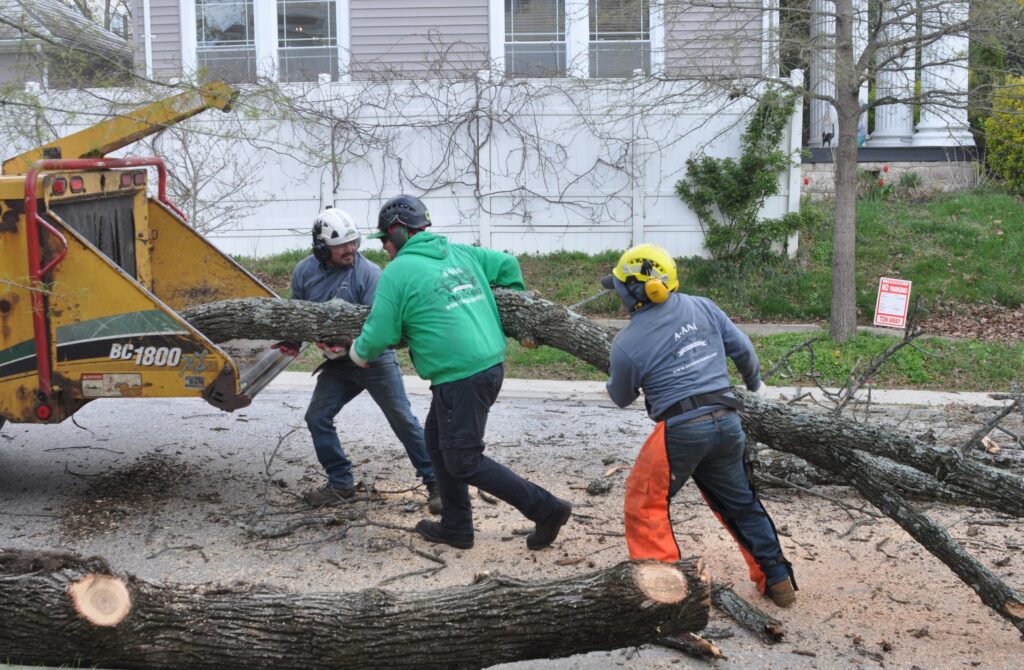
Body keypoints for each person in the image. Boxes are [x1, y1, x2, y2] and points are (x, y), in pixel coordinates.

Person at [348, 194, 572, 551]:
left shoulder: (398, 272)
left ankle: (546, 509)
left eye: (386, 240)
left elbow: (382, 333)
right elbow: (507, 264)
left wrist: (357, 354)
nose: (385, 248)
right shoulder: (462, 253)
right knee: (436, 442)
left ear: (399, 233)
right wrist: (514, 299)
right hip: (486, 366)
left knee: (463, 459)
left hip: (461, 377)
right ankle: (456, 526)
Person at [602, 243, 797, 607]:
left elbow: (620, 396)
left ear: (638, 290)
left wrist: (620, 371)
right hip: (727, 422)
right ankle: (778, 580)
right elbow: (743, 349)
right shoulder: (704, 306)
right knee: (741, 504)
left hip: (680, 430)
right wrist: (755, 384)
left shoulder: (626, 342)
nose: (618, 296)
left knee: (646, 505)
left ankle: (664, 599)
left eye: (621, 288)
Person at [272, 207, 441, 513]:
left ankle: (437, 484)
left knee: (402, 419)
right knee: (317, 417)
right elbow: (298, 315)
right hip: (337, 365)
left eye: (354, 243)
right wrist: (293, 339)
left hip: (374, 360)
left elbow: (382, 328)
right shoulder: (303, 272)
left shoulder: (370, 274)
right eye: (341, 246)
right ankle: (340, 483)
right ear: (322, 247)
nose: (350, 250)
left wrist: (350, 342)